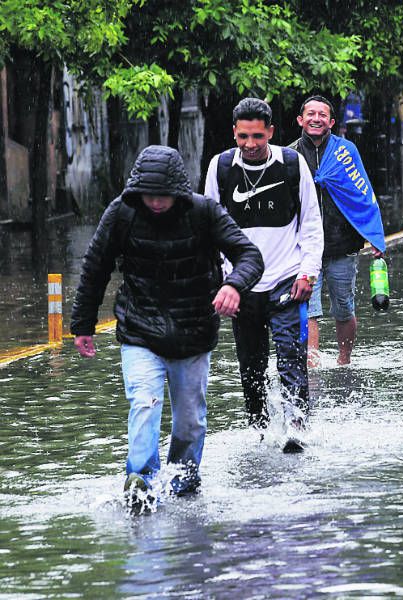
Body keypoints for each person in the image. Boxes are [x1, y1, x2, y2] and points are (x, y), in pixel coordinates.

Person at [70, 145, 264, 509]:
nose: (156, 203)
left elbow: (250, 255)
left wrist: (233, 285)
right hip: (139, 329)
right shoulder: (122, 213)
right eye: (149, 196)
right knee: (144, 402)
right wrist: (82, 324)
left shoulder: (203, 212)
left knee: (190, 420)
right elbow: (95, 268)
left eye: (163, 197)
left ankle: (182, 478)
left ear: (178, 191)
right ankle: (141, 480)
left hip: (193, 330)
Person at [204, 98, 323, 453]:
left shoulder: (291, 164)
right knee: (250, 366)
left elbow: (312, 224)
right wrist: (224, 281)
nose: (250, 144)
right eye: (243, 136)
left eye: (258, 136)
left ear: (270, 132)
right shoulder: (220, 167)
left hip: (288, 281)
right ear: (234, 133)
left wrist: (308, 273)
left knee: (291, 354)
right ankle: (260, 429)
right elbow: (209, 225)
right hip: (242, 287)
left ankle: (296, 423)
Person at [288, 96, 387, 367]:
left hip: (342, 245)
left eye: (322, 114)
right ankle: (312, 369)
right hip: (304, 249)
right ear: (300, 119)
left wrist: (375, 236)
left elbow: (363, 195)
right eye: (310, 113)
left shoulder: (347, 152)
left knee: (343, 309)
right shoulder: (289, 156)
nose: (316, 118)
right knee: (308, 310)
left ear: (331, 122)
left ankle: (345, 363)